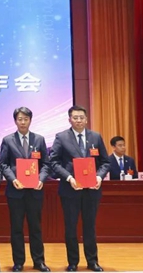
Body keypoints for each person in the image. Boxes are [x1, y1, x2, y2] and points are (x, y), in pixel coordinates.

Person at [49, 106, 110, 272]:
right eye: (75, 117)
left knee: (90, 226)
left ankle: (92, 261)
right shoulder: (61, 137)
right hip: (70, 190)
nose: (78, 120)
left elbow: (105, 162)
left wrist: (99, 177)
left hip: (92, 190)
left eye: (81, 117)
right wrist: (69, 178)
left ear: (86, 119)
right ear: (69, 119)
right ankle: (73, 262)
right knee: (70, 227)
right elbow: (54, 162)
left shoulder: (95, 137)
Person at [0, 107, 51, 273]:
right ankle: (18, 262)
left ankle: (39, 261)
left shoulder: (39, 139)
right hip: (16, 191)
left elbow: (46, 164)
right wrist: (13, 179)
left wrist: (41, 179)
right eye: (20, 119)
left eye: (26, 119)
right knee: (16, 228)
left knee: (35, 227)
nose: (23, 122)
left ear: (30, 120)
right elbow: (3, 164)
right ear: (15, 121)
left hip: (35, 191)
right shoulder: (8, 140)